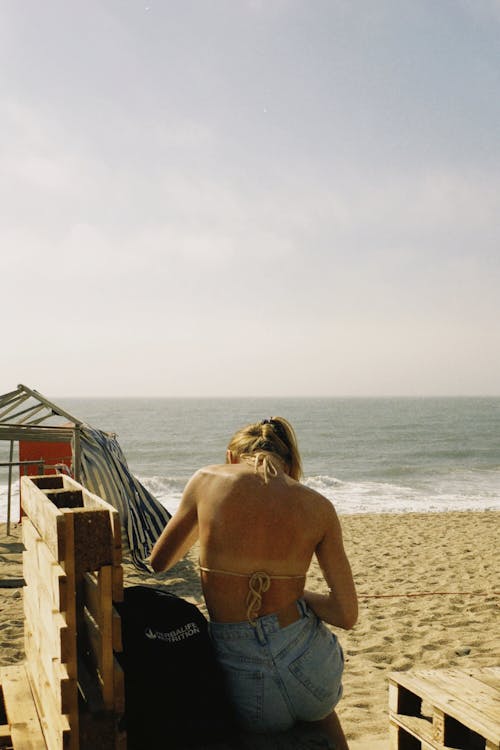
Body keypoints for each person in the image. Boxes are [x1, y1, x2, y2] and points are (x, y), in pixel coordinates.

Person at [151, 417, 357, 749]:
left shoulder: (206, 479)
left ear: (231, 456)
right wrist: (293, 592)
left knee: (253, 733)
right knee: (321, 715)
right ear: (289, 462)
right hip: (312, 666)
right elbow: (346, 615)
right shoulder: (319, 506)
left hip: (243, 669)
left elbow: (160, 561)